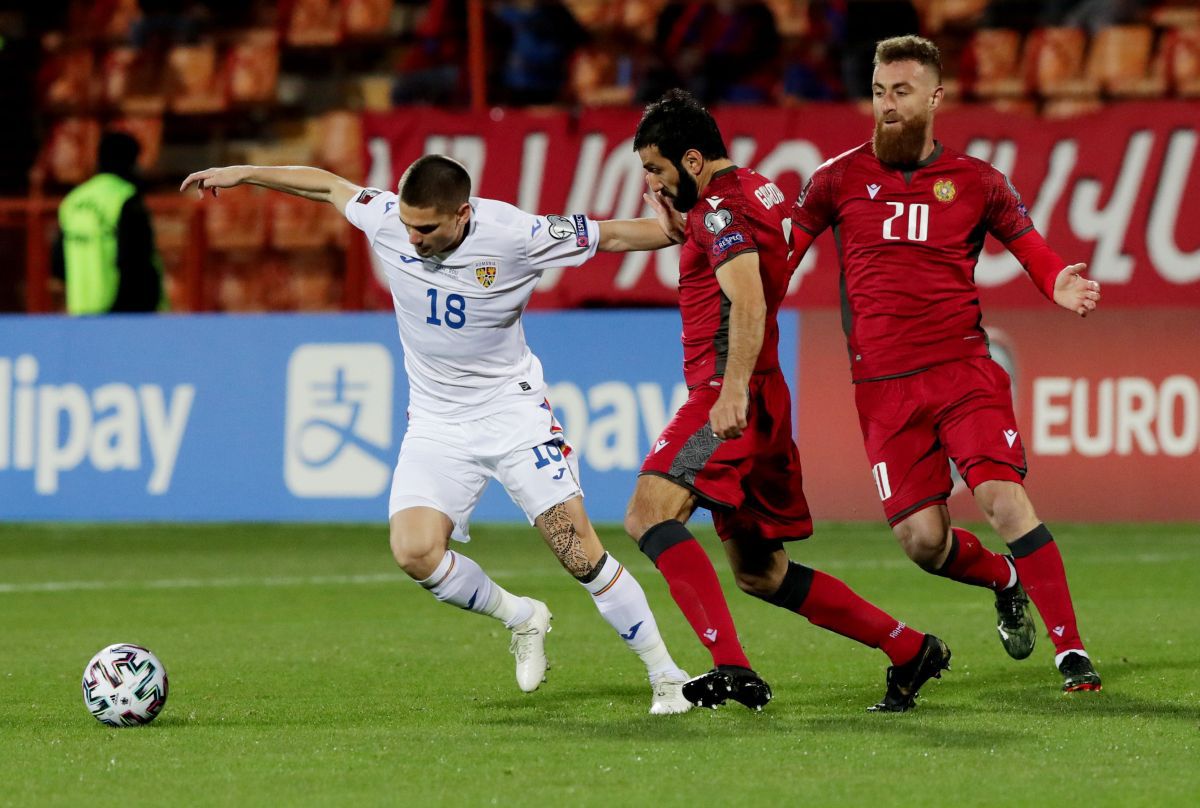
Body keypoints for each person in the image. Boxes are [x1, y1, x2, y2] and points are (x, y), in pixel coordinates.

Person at [180, 155, 693, 713]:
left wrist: (672, 230)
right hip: (437, 423)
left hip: (512, 418)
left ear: (462, 215)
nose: (411, 237)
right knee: (414, 550)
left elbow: (613, 235)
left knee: (579, 554)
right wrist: (244, 172)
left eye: (425, 228)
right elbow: (328, 185)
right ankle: (521, 617)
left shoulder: (515, 235)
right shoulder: (387, 220)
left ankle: (667, 678)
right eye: (406, 224)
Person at [788, 35, 1102, 693]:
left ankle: (1071, 654)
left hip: (962, 371)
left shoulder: (978, 182)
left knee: (1001, 498)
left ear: (935, 96)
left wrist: (1058, 284)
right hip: (880, 388)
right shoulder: (835, 179)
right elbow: (778, 256)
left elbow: (1032, 247)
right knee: (923, 542)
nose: (887, 106)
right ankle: (1004, 579)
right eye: (878, 92)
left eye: (901, 92)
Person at [624, 88, 951, 713]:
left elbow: (746, 297)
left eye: (657, 169)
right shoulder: (754, 189)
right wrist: (682, 223)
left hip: (729, 391)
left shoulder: (719, 213)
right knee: (759, 571)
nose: (653, 183)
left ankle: (731, 667)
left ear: (693, 162)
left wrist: (733, 391)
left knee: (648, 513)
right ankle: (908, 647)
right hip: (765, 392)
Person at [53, 131, 164, 314]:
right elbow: (137, 259)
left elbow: (58, 262)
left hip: (81, 306)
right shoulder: (124, 197)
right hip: (122, 309)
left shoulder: (74, 200)